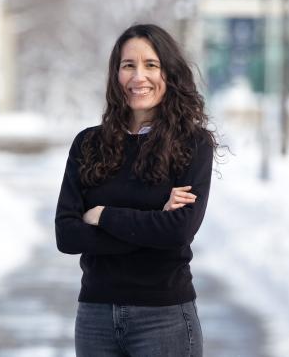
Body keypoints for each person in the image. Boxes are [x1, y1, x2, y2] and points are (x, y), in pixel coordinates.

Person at [55, 23, 217, 356]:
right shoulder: (88, 144)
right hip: (95, 316)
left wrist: (102, 215)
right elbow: (67, 235)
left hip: (165, 317)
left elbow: (179, 231)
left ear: (169, 73)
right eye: (128, 65)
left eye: (151, 65)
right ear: (116, 75)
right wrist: (152, 222)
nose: (138, 76)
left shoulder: (191, 144)